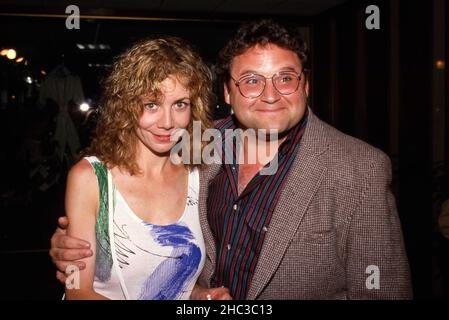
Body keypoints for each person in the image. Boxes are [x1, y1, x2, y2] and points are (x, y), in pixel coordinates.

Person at [51, 19, 412, 299]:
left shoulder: (358, 169)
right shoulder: (201, 148)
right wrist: (86, 242)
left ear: (305, 85)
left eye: (285, 78)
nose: (270, 95)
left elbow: (383, 292)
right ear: (228, 91)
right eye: (252, 81)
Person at [57, 36, 231, 300]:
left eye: (180, 104)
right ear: (126, 106)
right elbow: (76, 291)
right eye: (151, 104)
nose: (167, 122)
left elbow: (178, 285)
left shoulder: (199, 173)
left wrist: (200, 297)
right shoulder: (90, 178)